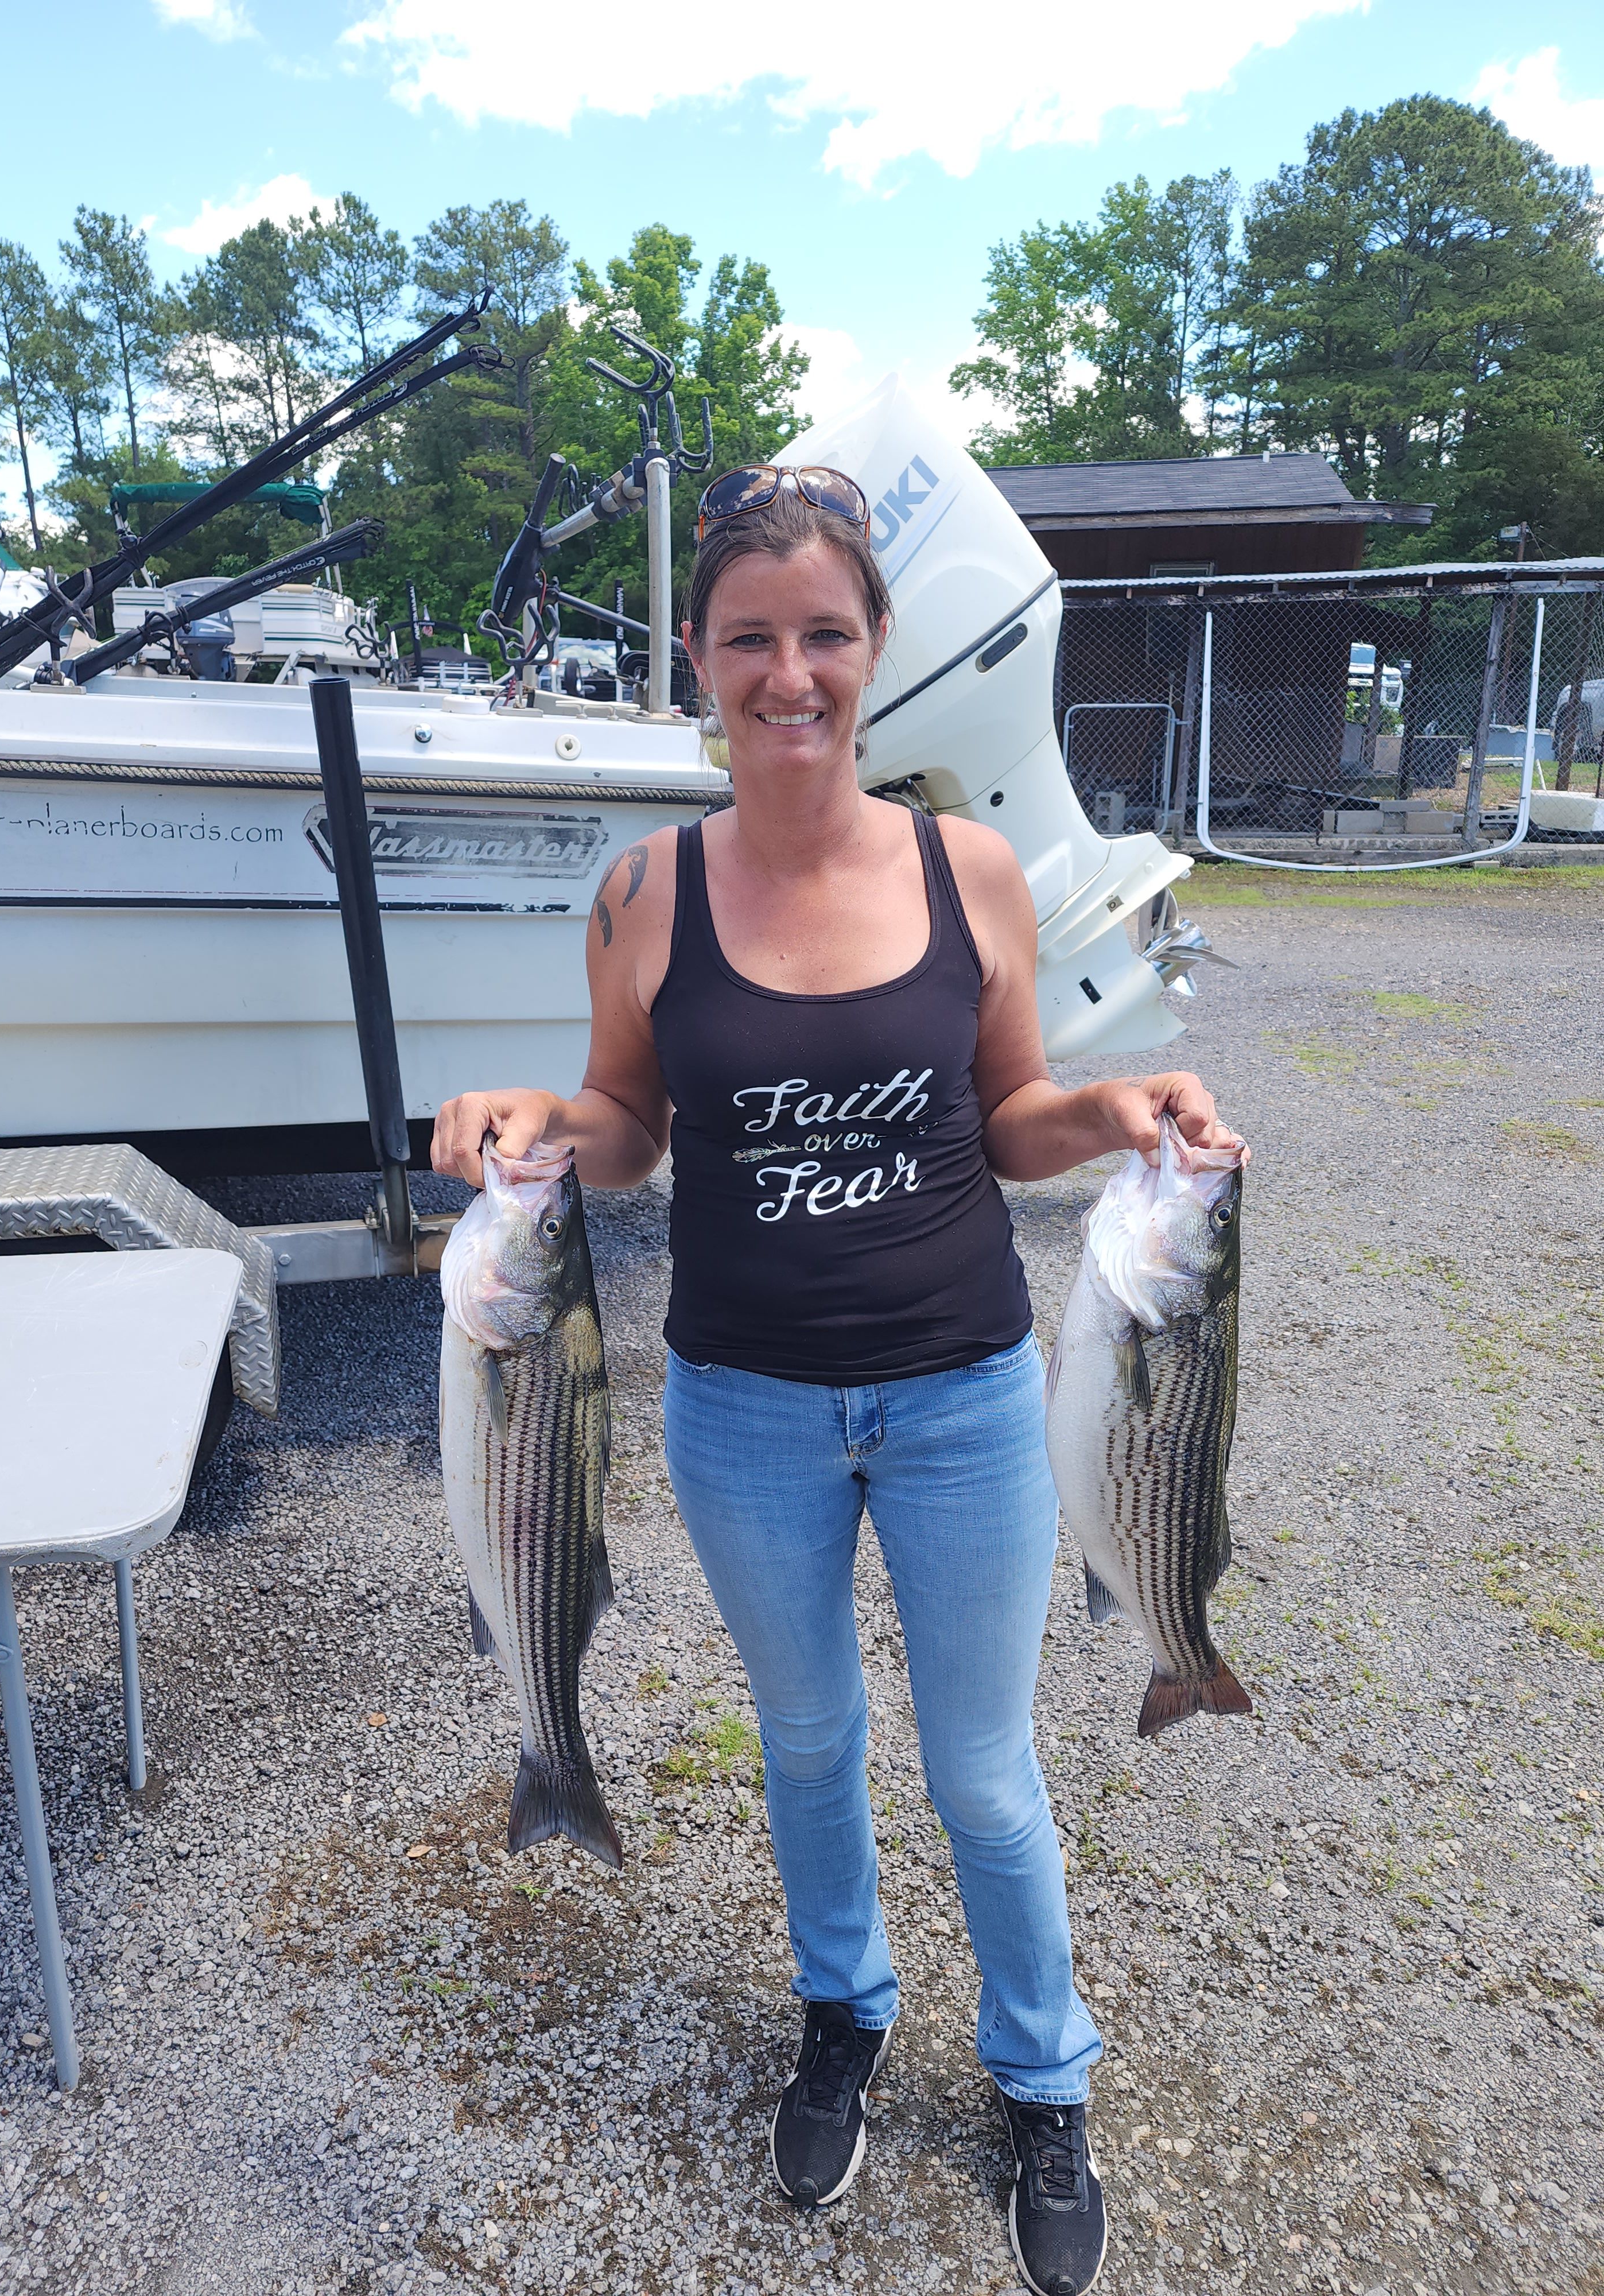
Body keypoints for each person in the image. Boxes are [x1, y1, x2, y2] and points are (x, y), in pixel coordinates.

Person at [432, 464, 1242, 2296]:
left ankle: (1044, 2080)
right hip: (743, 1410)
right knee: (808, 1745)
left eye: (823, 635)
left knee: (984, 1771)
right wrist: (524, 1119)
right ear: (699, 661)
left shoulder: (962, 866)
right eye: (747, 640)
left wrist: (1117, 1110)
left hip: (966, 1395)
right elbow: (627, 1133)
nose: (786, 674)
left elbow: (1017, 1117)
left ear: (875, 649)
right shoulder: (642, 889)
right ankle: (843, 2013)